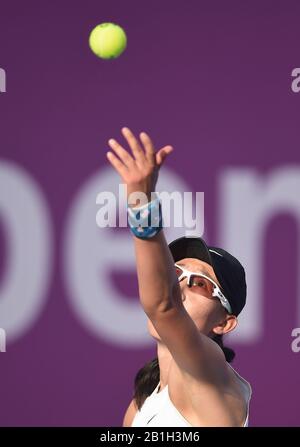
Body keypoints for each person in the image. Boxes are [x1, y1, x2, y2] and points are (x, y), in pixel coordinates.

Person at [106, 127, 252, 427]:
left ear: (224, 323)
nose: (180, 286)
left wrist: (140, 201)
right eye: (176, 274)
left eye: (200, 283)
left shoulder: (213, 372)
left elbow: (163, 305)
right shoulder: (142, 405)